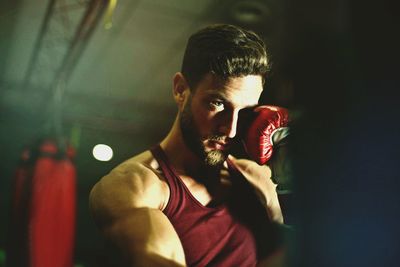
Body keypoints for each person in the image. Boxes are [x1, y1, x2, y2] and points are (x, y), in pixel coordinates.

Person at [89, 24, 288, 267]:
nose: (231, 129)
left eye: (246, 112)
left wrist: (279, 213)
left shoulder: (254, 179)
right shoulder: (136, 186)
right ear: (180, 90)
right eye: (217, 104)